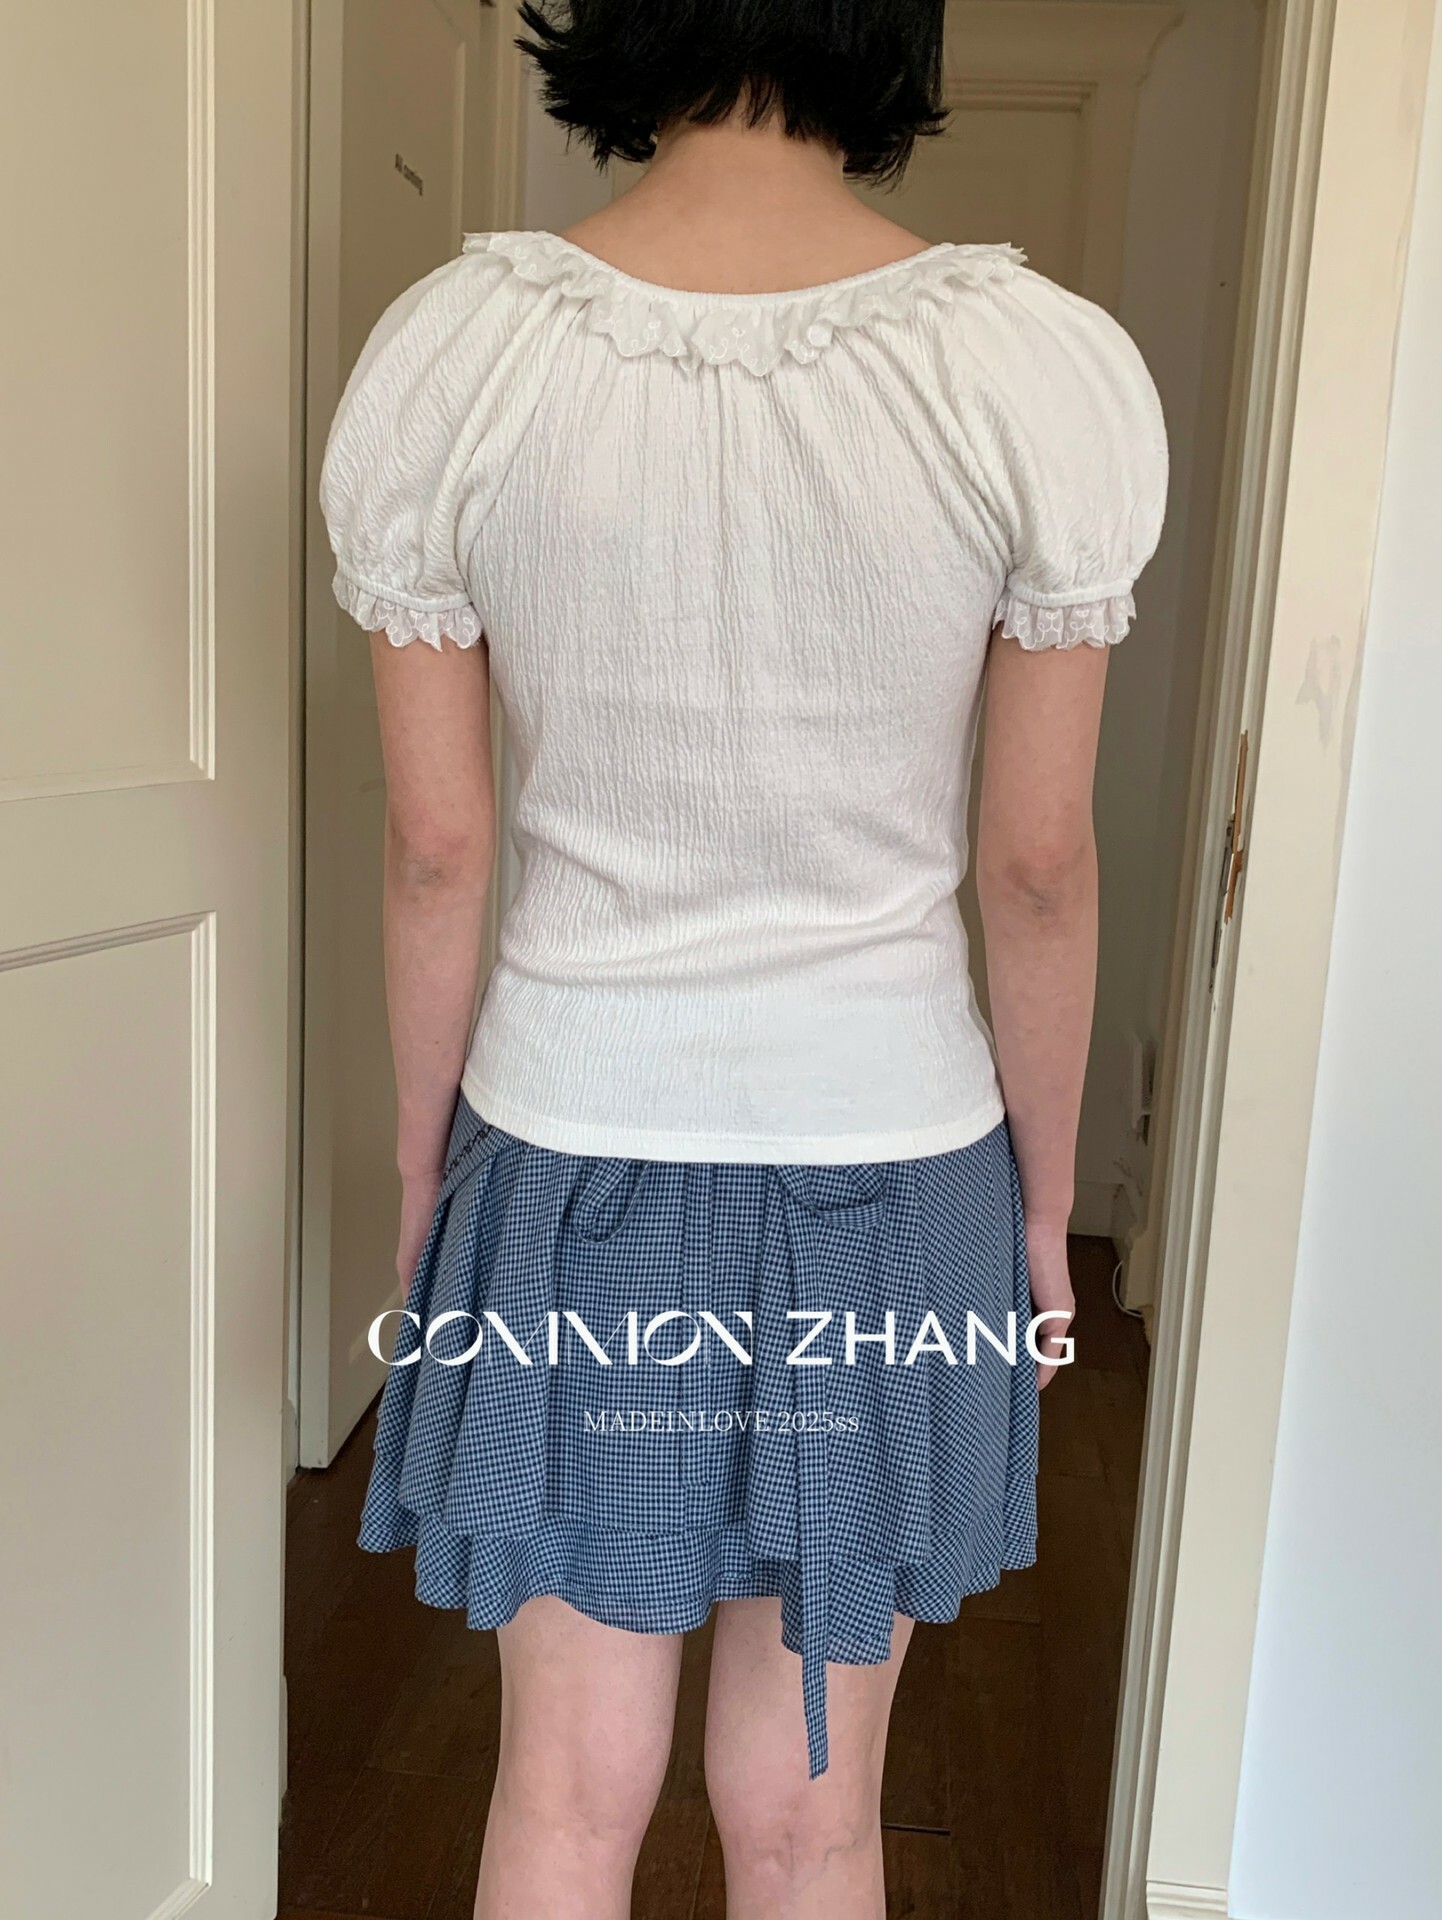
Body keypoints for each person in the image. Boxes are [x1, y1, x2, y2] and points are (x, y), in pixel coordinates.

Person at [318, 0, 1168, 1912]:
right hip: (895, 1171)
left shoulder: (465, 355)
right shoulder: (1026, 367)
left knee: (560, 1800)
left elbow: (439, 845)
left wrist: (423, 1173)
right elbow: (1034, 867)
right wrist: (1044, 1211)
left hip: (568, 1156)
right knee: (810, 1817)